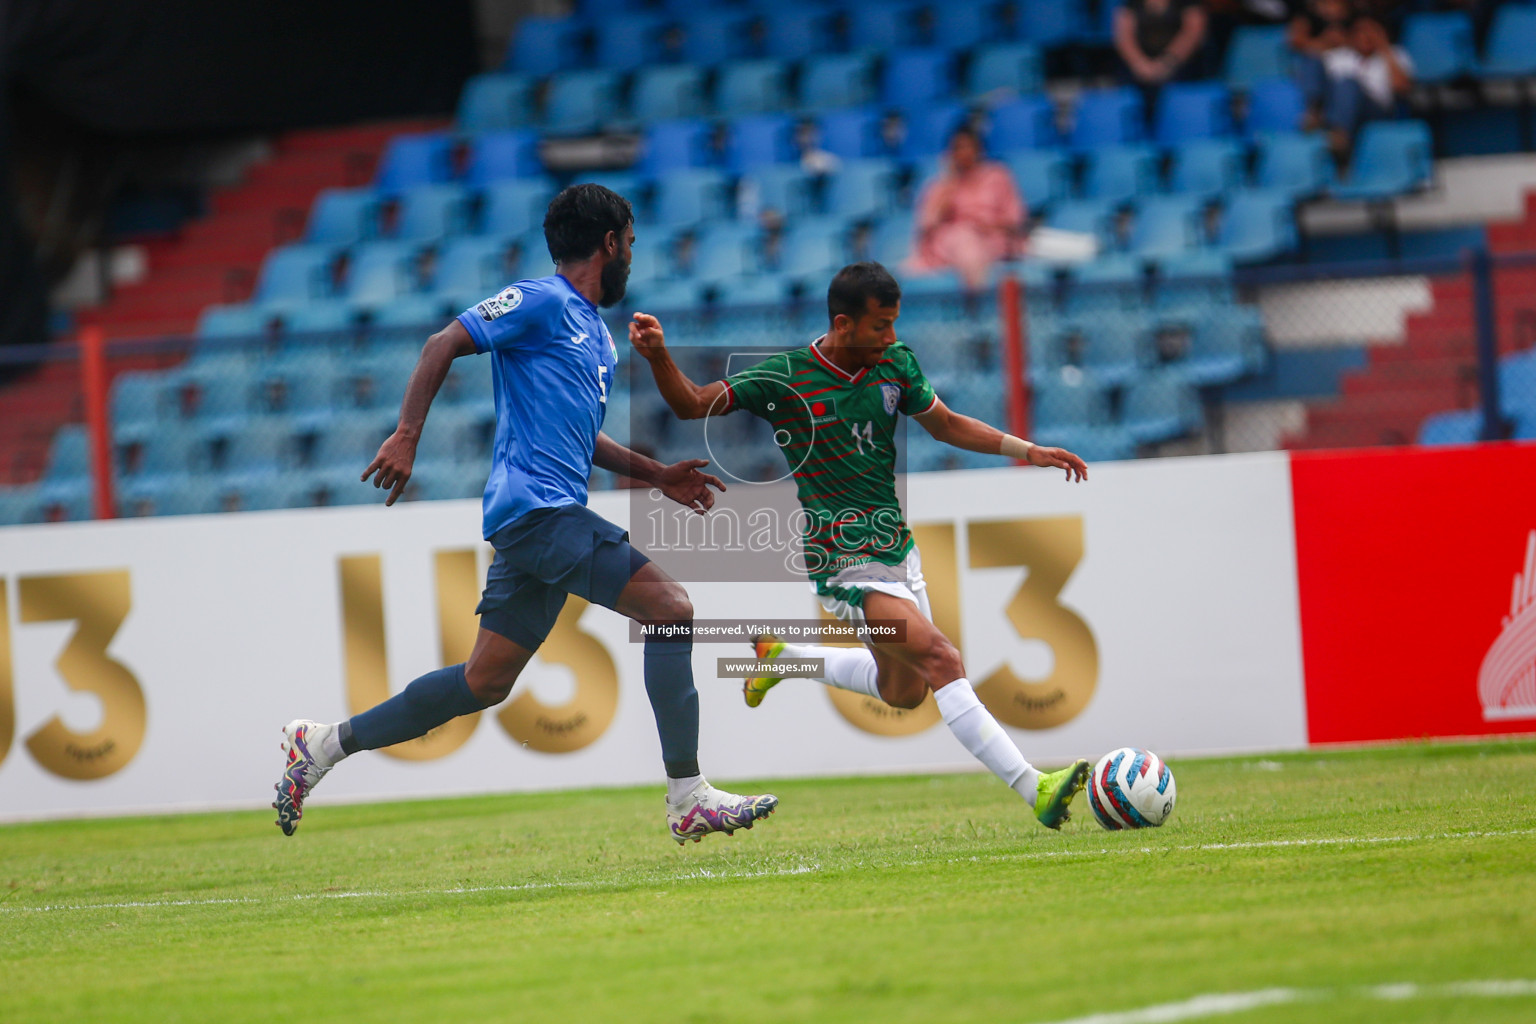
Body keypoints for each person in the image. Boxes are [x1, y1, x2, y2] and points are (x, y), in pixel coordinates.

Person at [272, 184, 779, 846]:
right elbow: (441, 343)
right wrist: (406, 435)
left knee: (484, 681)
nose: (631, 254)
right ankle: (687, 796)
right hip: (537, 512)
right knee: (672, 608)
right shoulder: (540, 301)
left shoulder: (595, 335)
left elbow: (578, 436)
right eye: (629, 242)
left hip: (544, 518)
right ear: (609, 243)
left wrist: (657, 475)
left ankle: (322, 746)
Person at [628, 262, 1095, 830]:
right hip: (844, 556)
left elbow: (944, 424)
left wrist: (1028, 449)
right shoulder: (786, 379)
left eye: (894, 324)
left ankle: (786, 659)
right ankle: (1036, 786)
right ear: (844, 324)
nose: (892, 338)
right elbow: (693, 403)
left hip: (897, 548)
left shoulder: (894, 364)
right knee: (942, 658)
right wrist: (657, 357)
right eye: (881, 326)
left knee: (904, 692)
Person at [908, 127, 1026, 292]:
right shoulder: (940, 184)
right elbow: (927, 225)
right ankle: (976, 302)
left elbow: (1015, 220)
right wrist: (949, 181)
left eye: (968, 147)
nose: (964, 153)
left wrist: (987, 227)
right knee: (963, 240)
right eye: (958, 148)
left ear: (980, 149)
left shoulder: (998, 176)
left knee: (969, 245)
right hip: (953, 244)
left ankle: (978, 305)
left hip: (993, 240)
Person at [1114, 0, 1209, 112]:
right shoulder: (1131, 5)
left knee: (1174, 86)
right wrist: (1140, 64)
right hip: (1141, 65)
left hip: (1179, 63)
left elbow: (1192, 34)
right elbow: (1124, 38)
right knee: (1128, 87)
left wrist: (1167, 62)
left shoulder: (1188, 3)